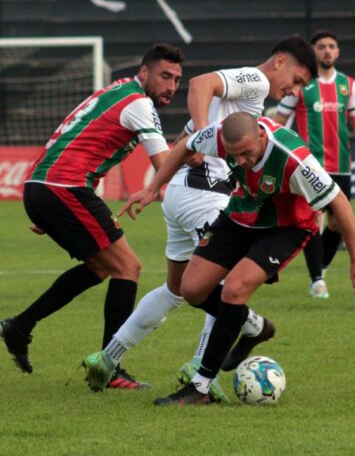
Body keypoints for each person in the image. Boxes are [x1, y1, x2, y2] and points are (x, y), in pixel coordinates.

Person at [83, 36, 317, 397]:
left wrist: (196, 135)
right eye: (297, 80)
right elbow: (200, 83)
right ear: (280, 62)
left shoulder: (245, 99)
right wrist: (205, 129)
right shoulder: (255, 81)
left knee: (177, 288)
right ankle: (204, 367)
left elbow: (189, 134)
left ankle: (107, 357)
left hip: (178, 193)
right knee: (222, 286)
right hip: (205, 196)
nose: (294, 91)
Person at [121, 112, 355, 405]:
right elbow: (184, 145)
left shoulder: (294, 159)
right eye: (233, 155)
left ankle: (201, 387)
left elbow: (338, 201)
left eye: (246, 153)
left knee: (234, 289)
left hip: (287, 227)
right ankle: (253, 326)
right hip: (242, 214)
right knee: (191, 289)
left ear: (261, 137)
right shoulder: (220, 135)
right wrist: (153, 188)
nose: (240, 161)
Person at [0, 44, 183, 389]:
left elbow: (76, 140)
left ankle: (20, 326)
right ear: (145, 73)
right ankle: (109, 367)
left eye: (176, 80)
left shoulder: (116, 92)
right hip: (62, 187)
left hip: (45, 185)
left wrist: (45, 205)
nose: (170, 86)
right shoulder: (139, 103)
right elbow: (165, 164)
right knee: (128, 267)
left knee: (101, 267)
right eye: (164, 76)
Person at [274, 30, 355, 299]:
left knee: (336, 225)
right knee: (312, 220)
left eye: (332, 46)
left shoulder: (348, 85)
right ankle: (317, 280)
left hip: (341, 164)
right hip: (309, 165)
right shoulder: (300, 83)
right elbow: (280, 120)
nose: (327, 51)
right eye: (322, 47)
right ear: (313, 51)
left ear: (338, 51)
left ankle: (319, 269)